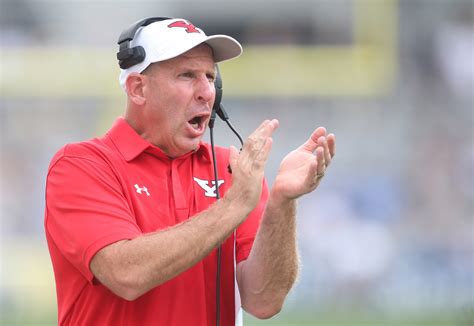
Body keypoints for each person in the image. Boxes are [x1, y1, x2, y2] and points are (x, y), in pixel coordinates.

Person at [44, 17, 336, 326]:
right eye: (187, 75)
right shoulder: (81, 166)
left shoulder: (232, 169)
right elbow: (126, 274)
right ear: (138, 88)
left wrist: (282, 202)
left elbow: (263, 300)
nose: (206, 92)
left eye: (210, 77)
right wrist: (233, 205)